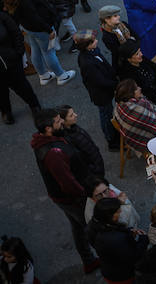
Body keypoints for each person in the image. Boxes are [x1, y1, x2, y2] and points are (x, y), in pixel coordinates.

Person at [32, 107, 101, 273]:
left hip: (64, 198)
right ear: (48, 129)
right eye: (57, 121)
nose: (61, 121)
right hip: (74, 198)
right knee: (92, 227)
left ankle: (88, 260)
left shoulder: (49, 140)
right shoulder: (53, 153)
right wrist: (88, 195)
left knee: (78, 227)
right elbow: (68, 183)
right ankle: (106, 256)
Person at [88, 195, 149, 281]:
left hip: (109, 268)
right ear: (109, 216)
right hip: (122, 275)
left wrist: (128, 232)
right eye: (117, 211)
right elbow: (133, 256)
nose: (120, 212)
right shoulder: (115, 239)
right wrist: (144, 239)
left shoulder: (93, 225)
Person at [75, 32, 120, 147]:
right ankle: (111, 139)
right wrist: (116, 84)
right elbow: (100, 81)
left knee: (108, 113)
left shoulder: (93, 51)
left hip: (106, 90)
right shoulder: (87, 63)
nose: (97, 41)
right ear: (87, 46)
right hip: (101, 94)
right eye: (94, 41)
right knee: (106, 116)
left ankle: (113, 132)